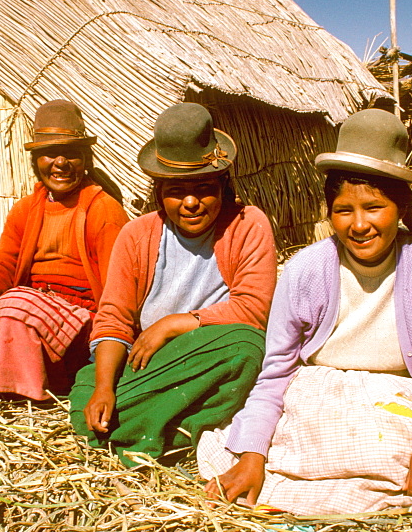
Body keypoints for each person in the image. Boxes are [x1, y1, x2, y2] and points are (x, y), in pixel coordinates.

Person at [200, 109, 412, 515]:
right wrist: (253, 457)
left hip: (406, 401)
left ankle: (347, 491)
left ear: (402, 208)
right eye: (343, 210)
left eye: (374, 207)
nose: (358, 225)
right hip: (323, 399)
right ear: (329, 212)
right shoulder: (305, 269)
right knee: (241, 451)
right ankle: (388, 493)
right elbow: (277, 371)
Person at [69, 102, 277, 466]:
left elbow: (253, 310)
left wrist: (174, 324)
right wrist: (104, 388)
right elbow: (114, 315)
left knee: (248, 348)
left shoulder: (248, 225)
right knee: (88, 391)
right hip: (152, 363)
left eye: (204, 188)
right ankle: (169, 430)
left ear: (224, 186)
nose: (192, 202)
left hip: (214, 355)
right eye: (177, 190)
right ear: (159, 193)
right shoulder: (137, 236)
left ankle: (149, 432)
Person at [0, 100, 128, 400]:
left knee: (16, 310)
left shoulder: (103, 210)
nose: (60, 163)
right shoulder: (27, 209)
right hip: (35, 308)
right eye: (48, 154)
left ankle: (26, 388)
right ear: (35, 161)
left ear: (86, 160)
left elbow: (117, 289)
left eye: (71, 153)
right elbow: (5, 259)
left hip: (81, 320)